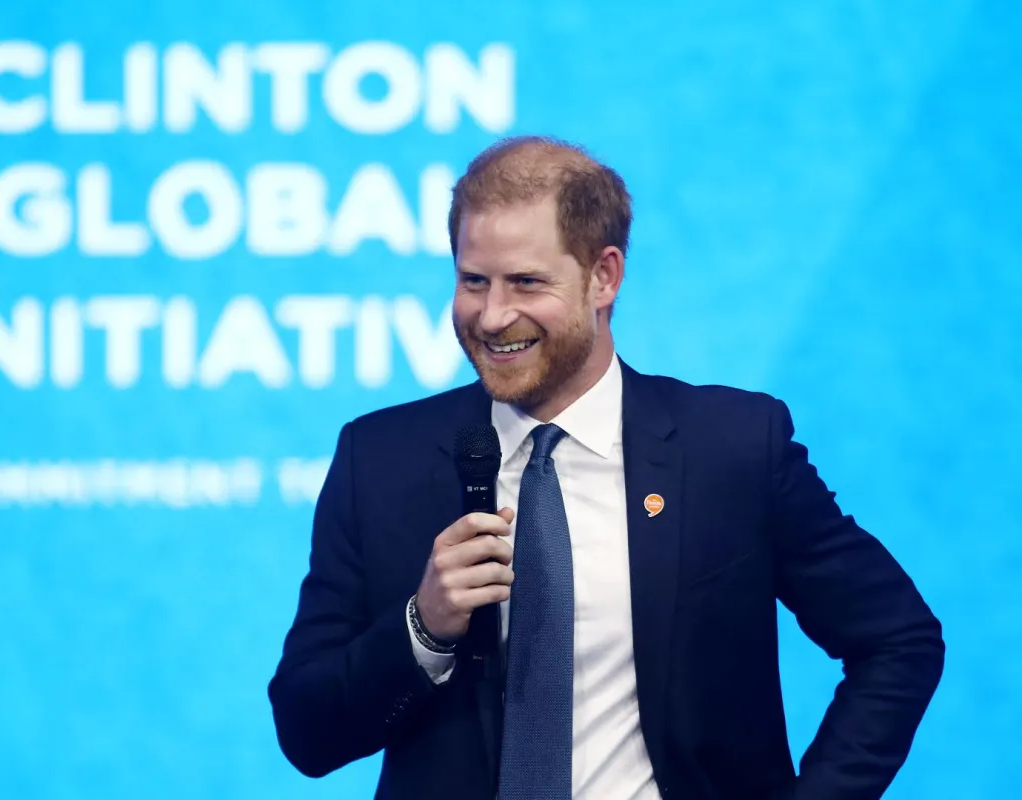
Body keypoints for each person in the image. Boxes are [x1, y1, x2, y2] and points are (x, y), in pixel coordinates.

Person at [267, 136, 944, 799]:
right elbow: (306, 733)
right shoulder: (379, 459)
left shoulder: (731, 448)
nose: (493, 315)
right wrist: (424, 626)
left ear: (604, 276)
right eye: (474, 281)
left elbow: (899, 641)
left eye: (526, 282)